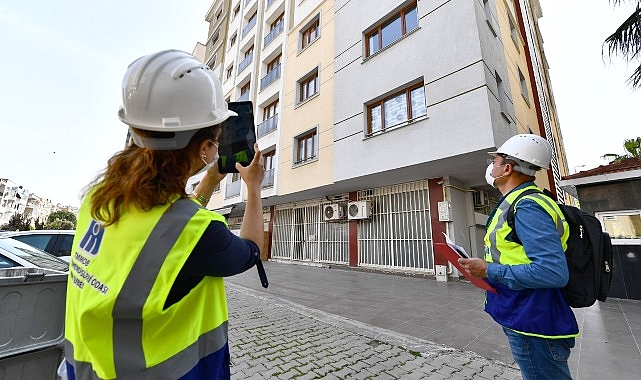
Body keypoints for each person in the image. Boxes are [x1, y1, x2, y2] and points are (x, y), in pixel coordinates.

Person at [62, 49, 265, 379]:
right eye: (216, 139)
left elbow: (168, 225)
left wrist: (210, 180)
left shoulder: (98, 200)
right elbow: (252, 251)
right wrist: (254, 187)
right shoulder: (197, 232)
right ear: (205, 149)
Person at [458, 134, 578, 380]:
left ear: (507, 168)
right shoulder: (516, 202)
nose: (491, 166)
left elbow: (552, 271)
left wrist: (488, 271)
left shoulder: (527, 206)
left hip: (533, 319)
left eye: (496, 160)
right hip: (521, 312)